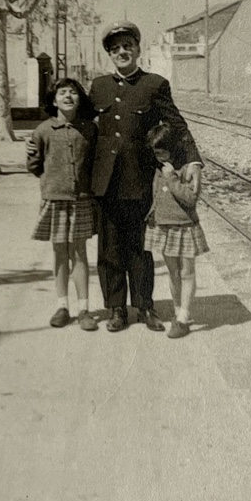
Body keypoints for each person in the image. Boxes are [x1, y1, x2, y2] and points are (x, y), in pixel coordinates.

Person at [89, 21, 203, 333]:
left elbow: (176, 125)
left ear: (138, 49)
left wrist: (192, 160)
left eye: (127, 46)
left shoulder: (154, 84)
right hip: (106, 183)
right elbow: (86, 130)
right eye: (115, 49)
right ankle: (116, 309)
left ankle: (145, 307)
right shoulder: (98, 86)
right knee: (110, 250)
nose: (122, 52)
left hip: (140, 180)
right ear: (110, 55)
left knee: (141, 248)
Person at [26, 78, 99, 331]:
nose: (68, 97)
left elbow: (94, 163)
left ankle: (84, 309)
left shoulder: (89, 129)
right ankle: (62, 306)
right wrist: (53, 181)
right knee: (59, 252)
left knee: (79, 252)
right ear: (54, 100)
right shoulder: (43, 130)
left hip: (81, 200)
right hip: (55, 199)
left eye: (73, 93)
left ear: (80, 99)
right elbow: (34, 165)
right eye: (62, 93)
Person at [144, 122, 209, 338]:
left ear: (173, 148)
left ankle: (183, 317)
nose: (159, 156)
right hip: (164, 226)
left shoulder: (186, 170)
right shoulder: (159, 167)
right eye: (156, 153)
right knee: (173, 272)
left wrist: (171, 177)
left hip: (184, 227)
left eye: (162, 152)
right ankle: (178, 311)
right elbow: (157, 195)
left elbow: (190, 199)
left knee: (187, 272)